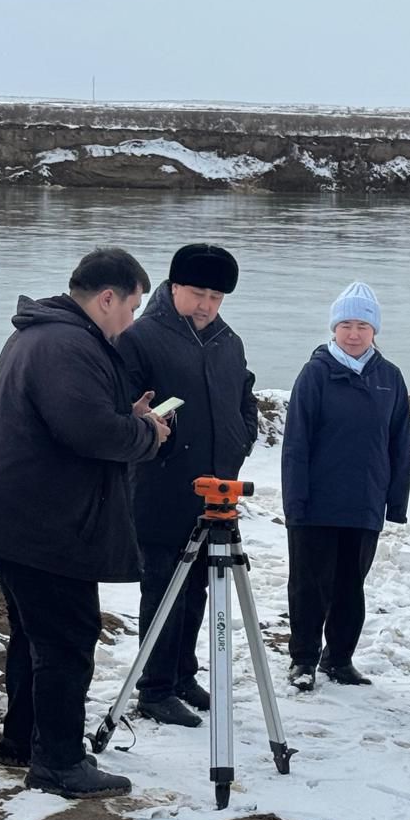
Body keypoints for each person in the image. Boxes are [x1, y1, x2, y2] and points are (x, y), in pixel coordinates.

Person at [0, 247, 170, 799]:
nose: (132, 321)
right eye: (133, 307)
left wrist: (127, 416)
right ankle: (60, 763)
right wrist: (147, 435)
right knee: (67, 636)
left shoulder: (47, 334)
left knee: (36, 632)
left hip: (13, 513)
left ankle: (26, 740)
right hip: (38, 520)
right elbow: (88, 432)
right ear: (107, 297)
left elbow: (77, 416)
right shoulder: (66, 343)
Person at [115, 243, 258, 727]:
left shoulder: (228, 340)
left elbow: (244, 393)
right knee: (162, 587)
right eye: (198, 293)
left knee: (198, 585)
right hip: (159, 485)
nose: (207, 305)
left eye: (216, 297)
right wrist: (158, 441)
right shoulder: (141, 337)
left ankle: (181, 675)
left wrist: (243, 436)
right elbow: (125, 407)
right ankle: (153, 688)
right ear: (174, 287)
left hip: (216, 486)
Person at [281, 281, 410, 691]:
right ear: (334, 329)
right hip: (316, 504)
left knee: (350, 587)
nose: (353, 334)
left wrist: (395, 503)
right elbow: (296, 443)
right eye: (346, 325)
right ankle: (302, 659)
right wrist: (294, 502)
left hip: (364, 504)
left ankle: (338, 659)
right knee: (309, 584)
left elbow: (399, 444)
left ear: (375, 331)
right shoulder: (316, 374)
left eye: (362, 326)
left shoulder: (389, 378)